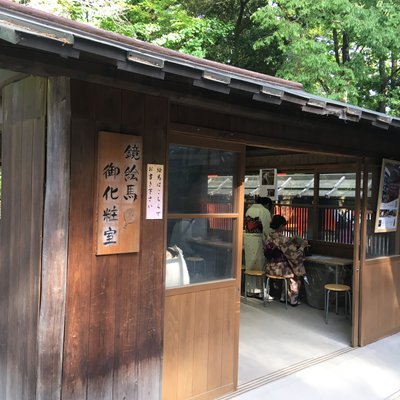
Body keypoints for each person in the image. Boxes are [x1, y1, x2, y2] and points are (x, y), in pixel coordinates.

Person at [264, 215, 308, 306]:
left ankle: (284, 297)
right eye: (284, 226)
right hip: (280, 269)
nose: (285, 227)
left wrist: (290, 241)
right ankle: (292, 300)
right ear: (281, 226)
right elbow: (295, 256)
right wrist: (302, 246)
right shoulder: (283, 239)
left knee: (289, 267)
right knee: (295, 273)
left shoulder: (269, 236)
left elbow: (280, 247)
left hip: (269, 267)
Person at [243, 196, 273, 297]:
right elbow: (266, 229)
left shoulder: (249, 209)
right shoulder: (264, 211)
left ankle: (249, 290)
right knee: (260, 265)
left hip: (248, 239)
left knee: (250, 265)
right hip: (259, 240)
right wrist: (268, 242)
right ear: (267, 205)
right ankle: (260, 291)